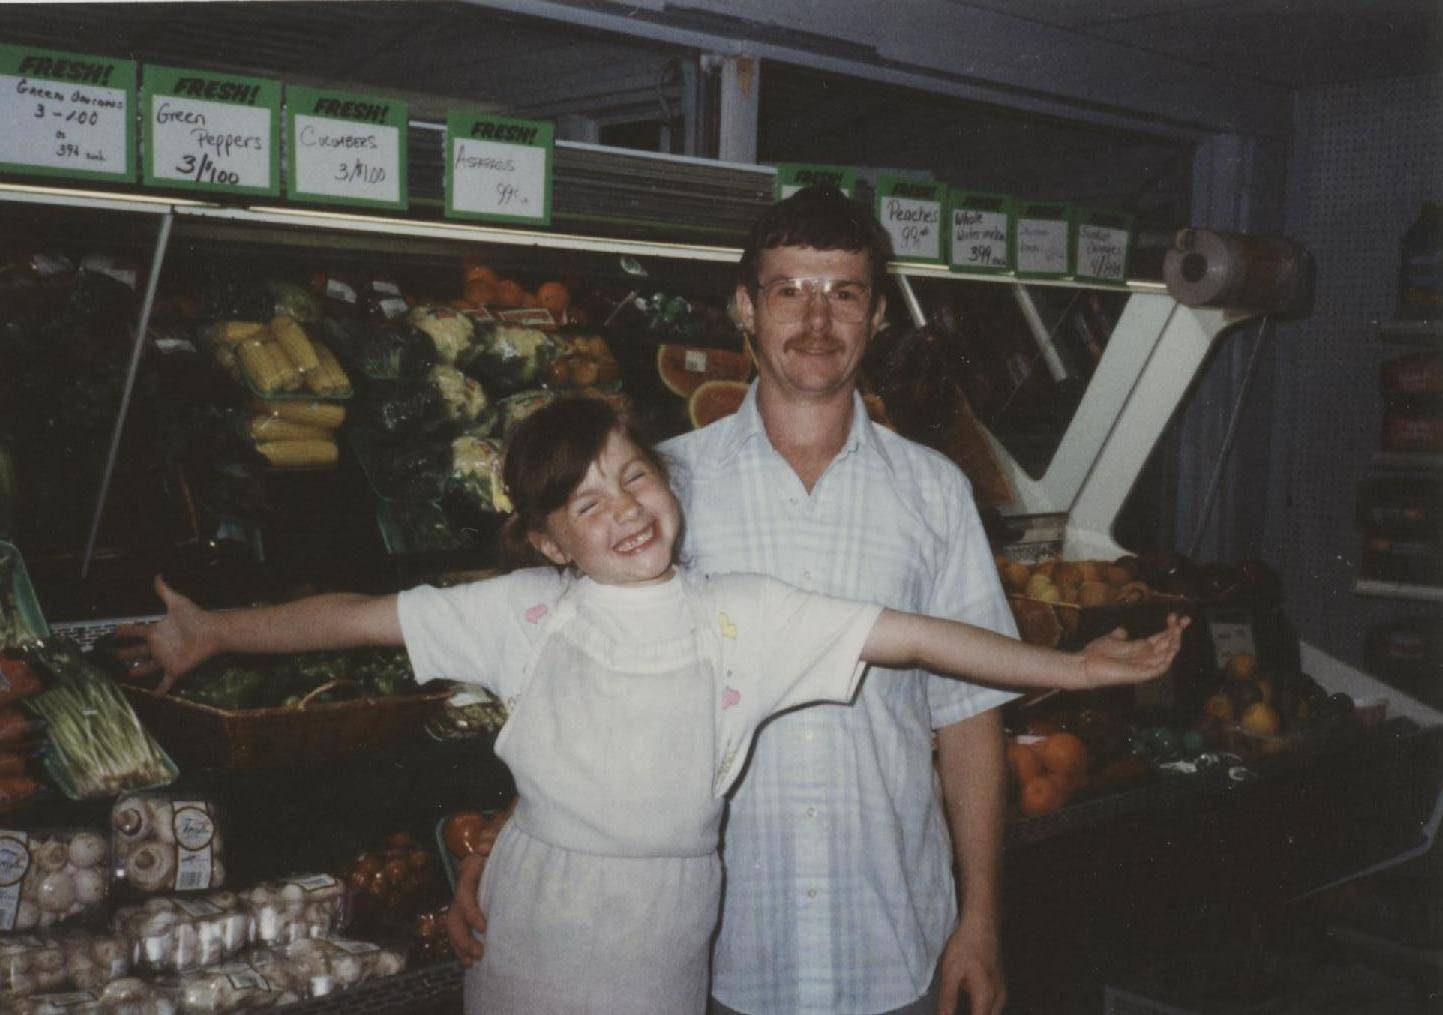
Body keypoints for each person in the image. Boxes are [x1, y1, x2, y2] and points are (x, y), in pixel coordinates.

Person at [122, 397, 1186, 1015]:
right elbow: (358, 618)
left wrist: (1077, 672)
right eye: (588, 502)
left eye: (635, 478)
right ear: (550, 540)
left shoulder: (745, 613)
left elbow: (911, 633)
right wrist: (217, 629)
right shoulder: (523, 612)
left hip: (670, 932)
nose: (625, 511)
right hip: (536, 923)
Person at [448, 184, 1036, 1015]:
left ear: (874, 320)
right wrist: (517, 834)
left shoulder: (934, 493)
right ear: (744, 308)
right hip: (713, 950)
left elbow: (970, 720)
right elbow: (593, 684)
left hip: (892, 937)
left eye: (844, 294)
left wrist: (980, 920)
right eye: (788, 290)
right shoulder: (665, 488)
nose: (817, 320)